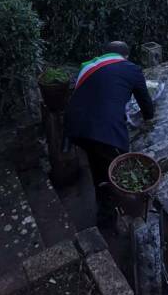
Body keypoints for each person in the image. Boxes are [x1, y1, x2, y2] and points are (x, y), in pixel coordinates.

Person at [65, 41, 154, 227]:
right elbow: (145, 103)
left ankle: (103, 203)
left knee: (96, 163)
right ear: (126, 57)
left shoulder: (88, 66)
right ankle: (109, 219)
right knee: (116, 173)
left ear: (105, 54)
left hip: (75, 127)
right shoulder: (131, 69)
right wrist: (148, 118)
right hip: (105, 131)